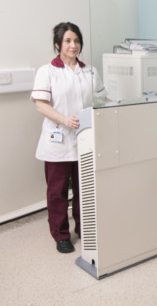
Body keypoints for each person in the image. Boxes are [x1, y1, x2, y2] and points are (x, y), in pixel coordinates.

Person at [31, 22, 107, 254]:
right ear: (58, 45)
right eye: (67, 41)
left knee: (85, 188)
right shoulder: (48, 71)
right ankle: (61, 234)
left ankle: (85, 228)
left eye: (76, 40)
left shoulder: (90, 71)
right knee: (58, 191)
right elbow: (41, 104)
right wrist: (64, 120)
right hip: (58, 139)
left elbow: (102, 99)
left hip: (85, 139)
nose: (73, 45)